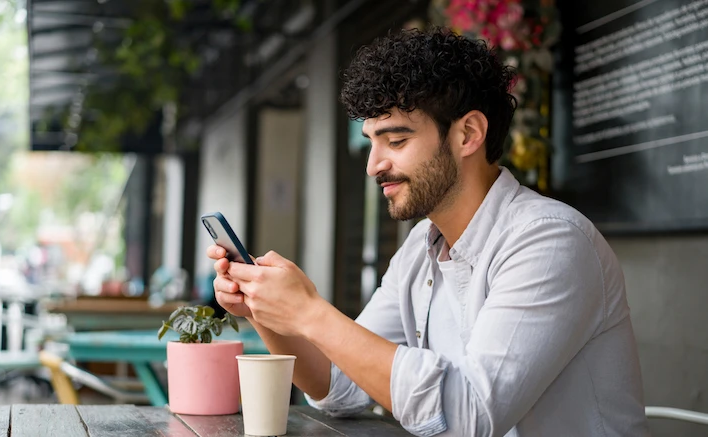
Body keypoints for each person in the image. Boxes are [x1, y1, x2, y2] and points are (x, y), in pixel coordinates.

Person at [208, 28, 649, 437]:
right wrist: (264, 309)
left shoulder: (550, 241)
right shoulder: (422, 247)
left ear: (468, 134)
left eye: (395, 141)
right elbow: (339, 387)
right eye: (370, 141)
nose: (372, 165)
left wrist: (309, 312)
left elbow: (466, 417)